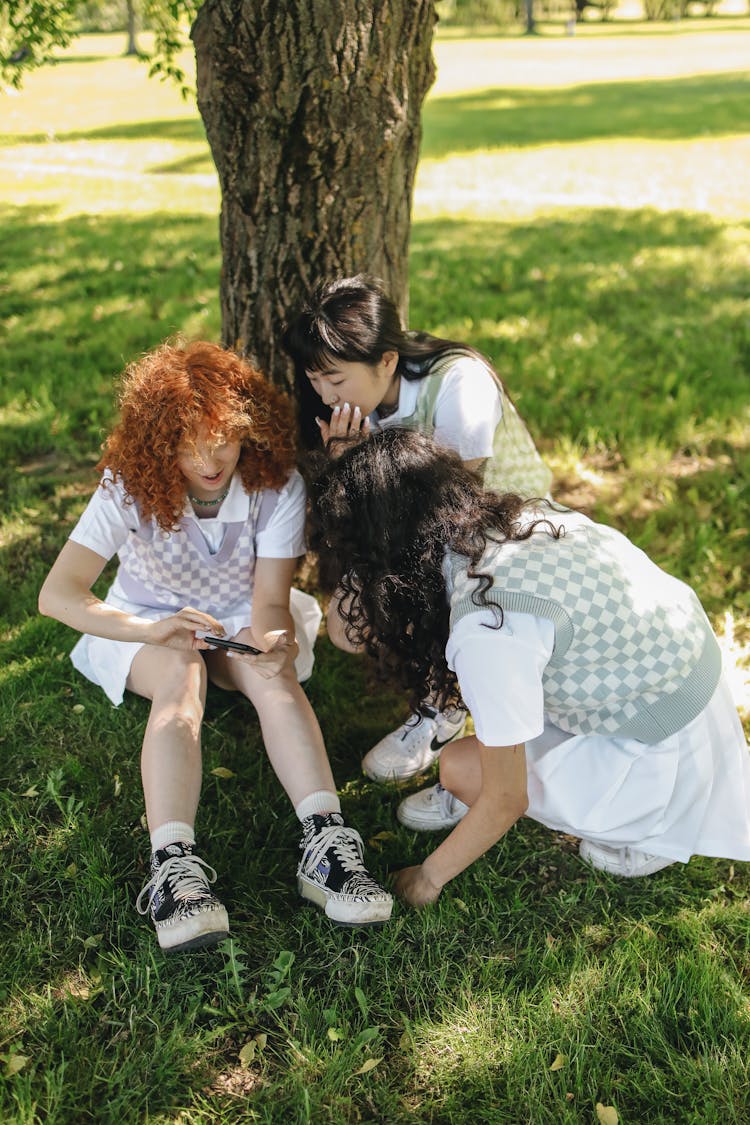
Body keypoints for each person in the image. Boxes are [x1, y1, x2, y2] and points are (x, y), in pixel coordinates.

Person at [38, 340, 392, 952]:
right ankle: (173, 869)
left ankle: (328, 845)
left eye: (223, 438)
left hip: (236, 616)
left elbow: (270, 604)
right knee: (181, 676)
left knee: (273, 678)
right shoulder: (128, 488)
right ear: (159, 440)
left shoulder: (275, 487)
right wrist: (151, 630)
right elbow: (59, 595)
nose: (210, 459)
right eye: (189, 441)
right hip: (147, 619)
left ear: (247, 432)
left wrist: (275, 642)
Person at [308, 429, 750, 906]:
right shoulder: (512, 522)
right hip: (684, 675)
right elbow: (344, 627)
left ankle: (644, 832)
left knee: (460, 767)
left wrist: (428, 878)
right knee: (479, 757)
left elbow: (506, 798)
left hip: (662, 745)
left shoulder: (486, 627)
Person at [284, 274, 553, 783]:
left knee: (395, 601)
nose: (322, 394)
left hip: (503, 529)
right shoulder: (351, 412)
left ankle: (444, 701)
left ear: (386, 360)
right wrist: (344, 465)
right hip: (428, 533)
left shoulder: (458, 383)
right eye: (314, 378)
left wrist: (361, 463)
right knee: (346, 625)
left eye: (335, 380)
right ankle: (442, 679)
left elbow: (453, 505)